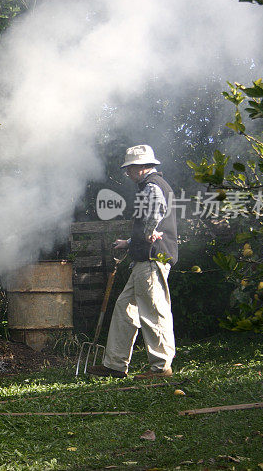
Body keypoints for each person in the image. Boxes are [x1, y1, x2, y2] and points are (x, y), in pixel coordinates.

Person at [88, 145, 178, 379]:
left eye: (130, 168)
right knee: (125, 308)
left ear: (142, 167)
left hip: (151, 259)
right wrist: (129, 242)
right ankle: (115, 365)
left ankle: (161, 368)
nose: (127, 173)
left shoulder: (152, 186)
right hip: (143, 260)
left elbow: (156, 211)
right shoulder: (152, 185)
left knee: (153, 310)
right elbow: (151, 218)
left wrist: (149, 232)